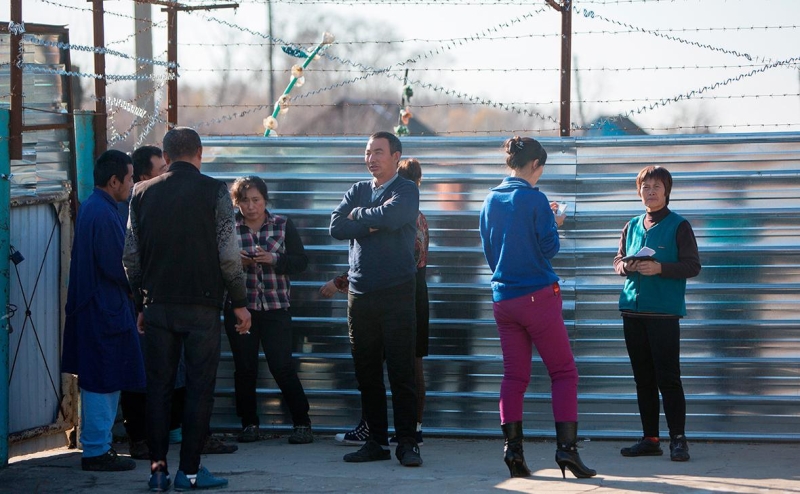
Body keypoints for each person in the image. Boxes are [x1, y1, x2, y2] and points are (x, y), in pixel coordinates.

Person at [123, 127, 252, 492]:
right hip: (203, 307)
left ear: (165, 157)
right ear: (200, 153)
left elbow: (130, 257)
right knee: (199, 389)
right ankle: (190, 472)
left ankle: (158, 472)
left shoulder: (141, 193)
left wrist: (141, 303)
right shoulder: (215, 191)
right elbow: (229, 255)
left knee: (158, 390)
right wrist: (240, 303)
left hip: (158, 305)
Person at [479, 136, 595, 479]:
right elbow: (549, 249)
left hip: (504, 298)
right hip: (538, 299)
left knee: (514, 376)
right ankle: (567, 452)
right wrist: (555, 222)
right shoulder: (536, 199)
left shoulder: (489, 200)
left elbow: (490, 251)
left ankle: (513, 451)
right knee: (563, 373)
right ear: (534, 166)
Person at [329, 131, 422, 467]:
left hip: (396, 292)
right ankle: (376, 442)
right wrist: (371, 220)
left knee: (400, 372)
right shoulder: (358, 190)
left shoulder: (406, 190)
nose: (371, 158)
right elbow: (336, 226)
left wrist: (360, 217)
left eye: (379, 152)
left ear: (396, 156)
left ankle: (408, 443)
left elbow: (395, 216)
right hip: (360, 293)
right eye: (368, 152)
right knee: (366, 372)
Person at [61, 149, 144, 472]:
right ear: (114, 181)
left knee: (103, 377)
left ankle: (99, 446)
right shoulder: (104, 214)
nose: (132, 183)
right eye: (129, 177)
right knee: (103, 379)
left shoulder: (96, 208)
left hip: (99, 308)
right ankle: (96, 450)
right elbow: (117, 265)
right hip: (103, 310)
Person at [613, 165, 701, 462]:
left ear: (667, 192)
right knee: (643, 379)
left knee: (669, 378)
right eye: (645, 187)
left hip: (663, 314)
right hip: (632, 312)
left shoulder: (679, 226)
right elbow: (617, 261)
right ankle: (650, 438)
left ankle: (678, 439)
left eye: (656, 187)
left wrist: (660, 268)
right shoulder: (632, 225)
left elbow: (693, 266)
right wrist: (627, 266)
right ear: (639, 192)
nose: (650, 192)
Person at [223, 176, 313, 445]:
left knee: (282, 366)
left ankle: (302, 423)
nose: (251, 207)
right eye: (244, 201)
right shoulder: (228, 227)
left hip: (276, 308)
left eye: (256, 200)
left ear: (265, 200)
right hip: (241, 309)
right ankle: (249, 424)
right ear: (236, 203)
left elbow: (301, 262)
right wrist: (235, 264)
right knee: (245, 368)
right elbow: (215, 265)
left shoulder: (282, 225)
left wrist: (274, 259)